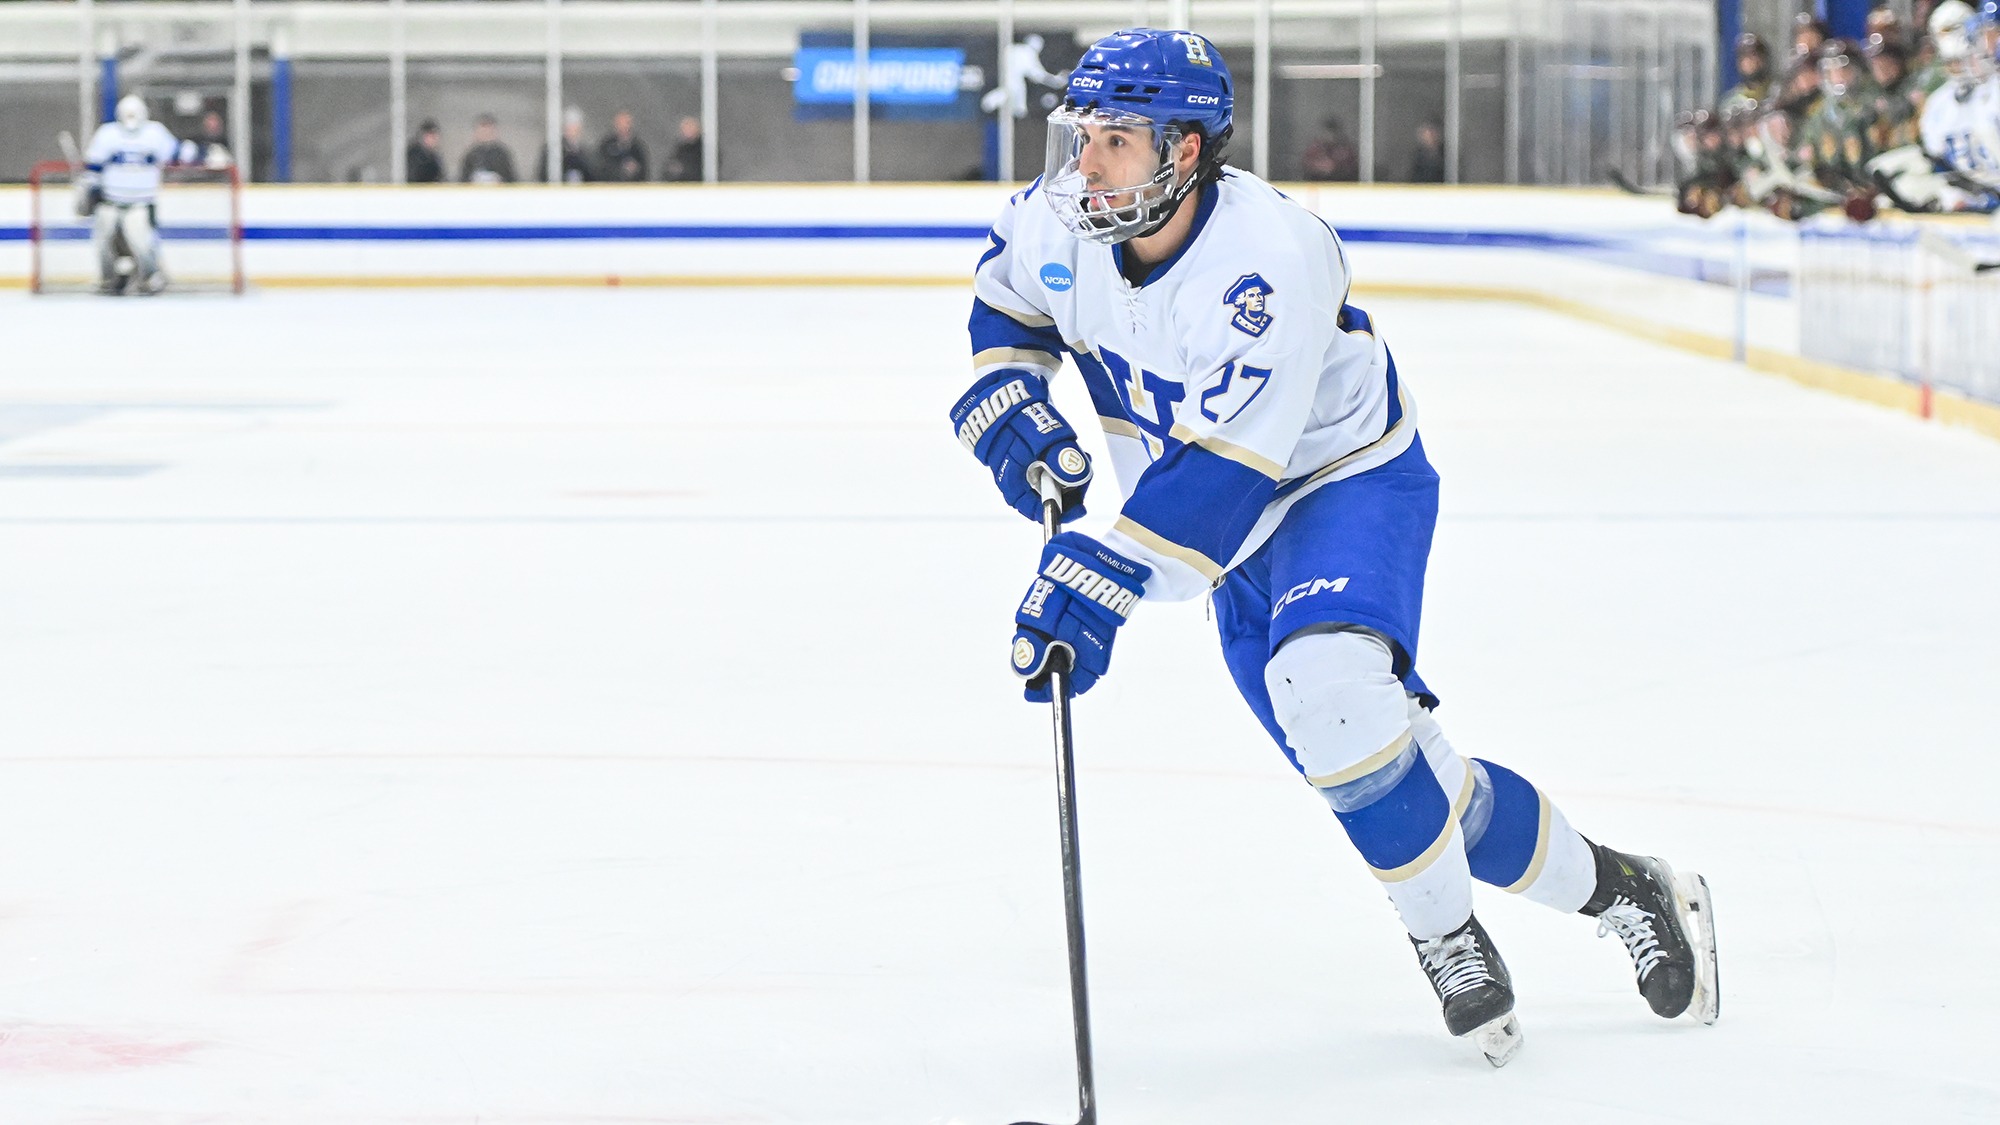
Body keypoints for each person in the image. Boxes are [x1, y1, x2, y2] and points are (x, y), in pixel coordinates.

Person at [951, 27, 1721, 1063]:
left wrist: (1108, 573)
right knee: (1394, 779)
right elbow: (1008, 305)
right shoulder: (1058, 220)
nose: (1085, 164)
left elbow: (1229, 474)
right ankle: (1627, 889)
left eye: (1115, 141)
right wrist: (1008, 390)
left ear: (1184, 152)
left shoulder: (1265, 263)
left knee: (1329, 695)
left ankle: (1444, 936)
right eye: (1081, 135)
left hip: (1337, 485)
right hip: (1207, 525)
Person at [80, 95, 193, 295]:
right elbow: (93, 168)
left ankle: (149, 277)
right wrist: (90, 190)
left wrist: (201, 151)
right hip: (109, 201)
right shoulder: (107, 134)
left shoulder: (155, 133)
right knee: (103, 242)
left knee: (142, 243)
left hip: (141, 202)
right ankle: (109, 278)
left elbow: (179, 153)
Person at [540, 106, 594, 182]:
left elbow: (591, 174)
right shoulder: (554, 148)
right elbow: (544, 173)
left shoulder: (583, 151)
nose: (574, 130)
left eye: (576, 126)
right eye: (571, 126)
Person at [459, 114, 518, 184]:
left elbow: (512, 179)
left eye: (489, 130)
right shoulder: (470, 155)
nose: (486, 133)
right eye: (483, 130)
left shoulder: (503, 154)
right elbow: (463, 179)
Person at [1722, 32, 1774, 110]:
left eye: (1753, 55)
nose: (1748, 62)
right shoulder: (1731, 102)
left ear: (1763, 59)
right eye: (1744, 57)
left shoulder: (1775, 94)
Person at [1299, 115, 1359, 181]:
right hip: (1318, 183)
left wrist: (1336, 168)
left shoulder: (1345, 150)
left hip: (1340, 183)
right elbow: (1306, 164)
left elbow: (1352, 168)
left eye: (1333, 132)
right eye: (1327, 132)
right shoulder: (1315, 148)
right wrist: (1321, 166)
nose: (1330, 135)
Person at [597, 111, 649, 182]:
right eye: (621, 125)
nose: (624, 129)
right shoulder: (606, 145)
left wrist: (635, 170)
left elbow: (644, 172)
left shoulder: (638, 148)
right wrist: (620, 169)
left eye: (626, 125)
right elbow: (600, 167)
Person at [664, 115, 704, 182]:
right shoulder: (681, 147)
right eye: (685, 129)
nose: (687, 132)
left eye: (690, 128)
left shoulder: (704, 149)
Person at [406, 119, 445, 184]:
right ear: (423, 136)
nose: (434, 139)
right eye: (430, 135)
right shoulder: (414, 154)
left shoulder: (434, 156)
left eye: (435, 135)